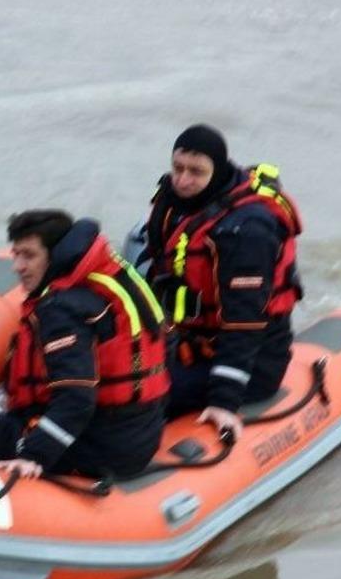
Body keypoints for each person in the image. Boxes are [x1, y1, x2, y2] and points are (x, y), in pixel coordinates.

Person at [0, 210, 169, 480]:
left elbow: (77, 399)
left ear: (54, 256)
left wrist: (33, 456)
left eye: (29, 256)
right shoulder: (104, 284)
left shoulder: (60, 311)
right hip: (134, 438)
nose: (18, 267)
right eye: (16, 255)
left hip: (95, 449)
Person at [124, 124, 303, 438]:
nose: (183, 180)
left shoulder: (247, 231)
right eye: (178, 168)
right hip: (188, 344)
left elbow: (244, 323)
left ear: (216, 171)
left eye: (196, 172)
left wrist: (224, 401)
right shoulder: (171, 203)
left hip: (252, 364)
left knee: (138, 396)